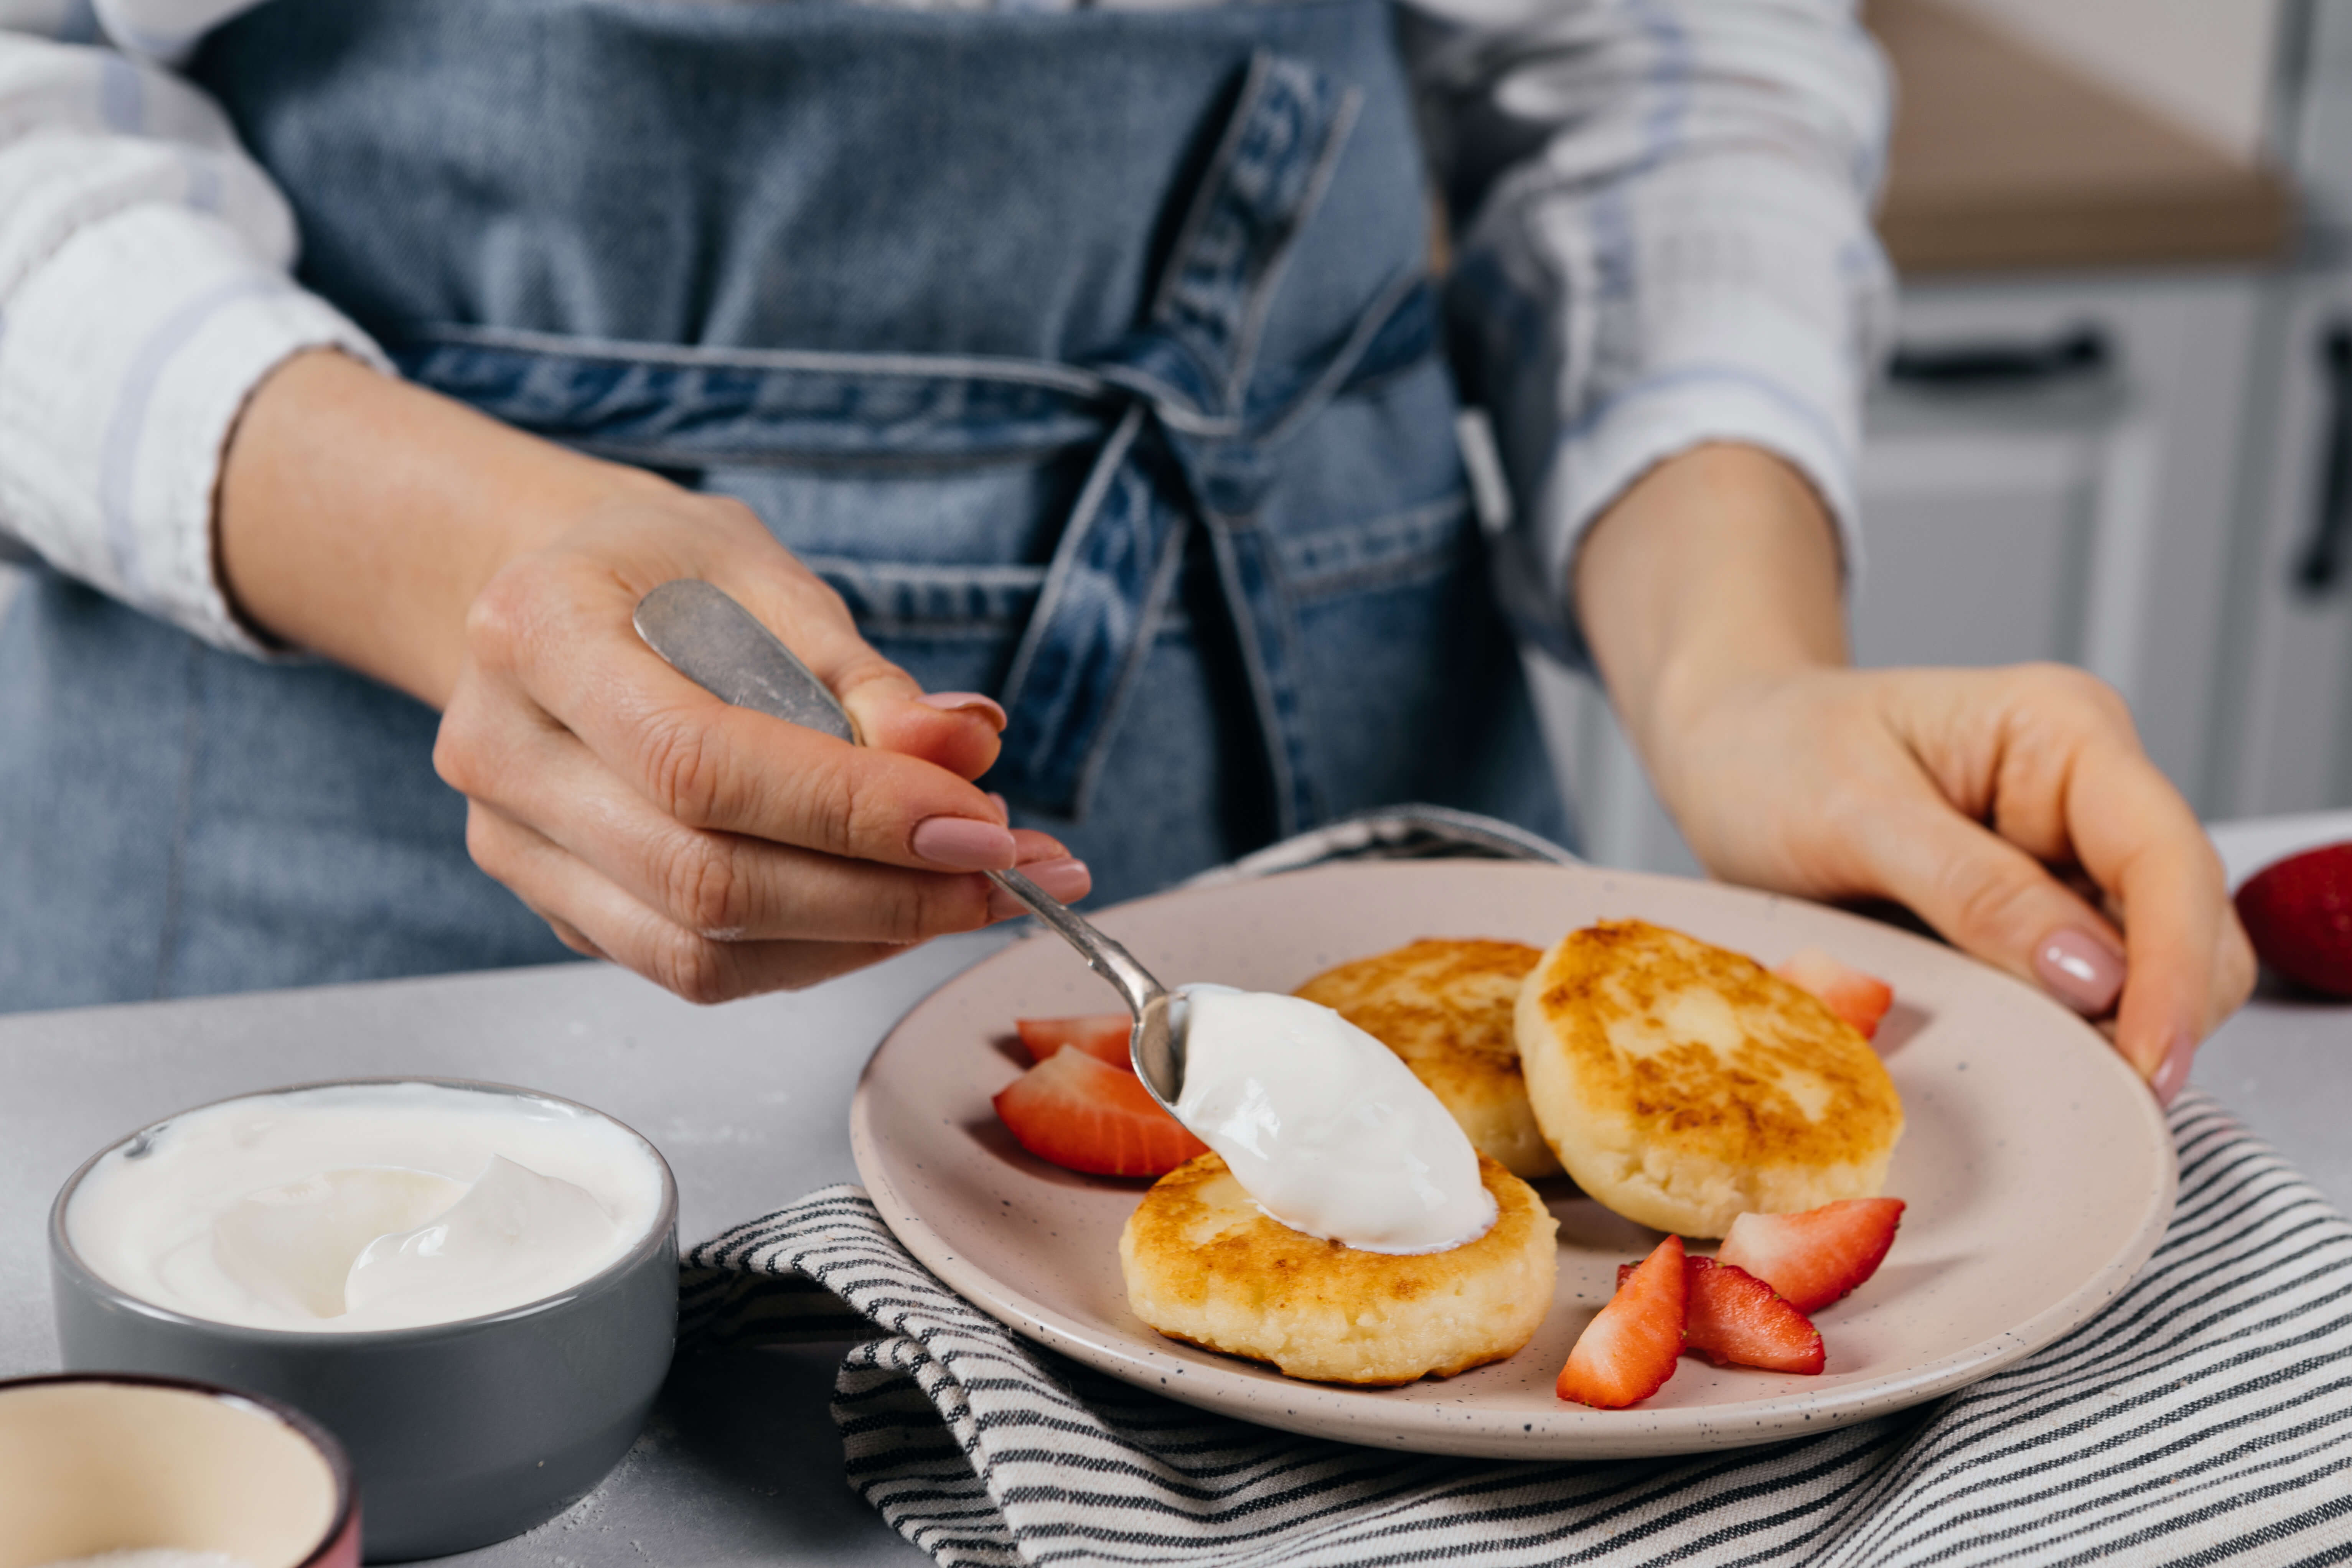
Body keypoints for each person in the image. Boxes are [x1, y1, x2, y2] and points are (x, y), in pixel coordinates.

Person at [0, 0, 2248, 1099]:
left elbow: (1660, 58)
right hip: (341, 845)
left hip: (1327, 773)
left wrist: (1738, 670)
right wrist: (461, 544)